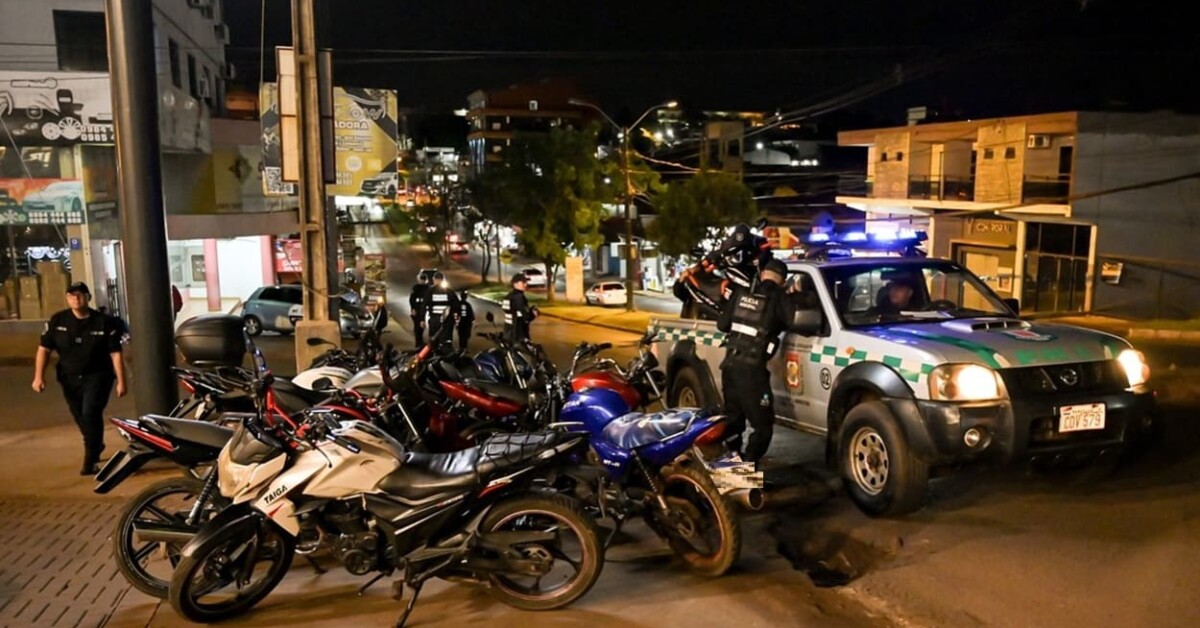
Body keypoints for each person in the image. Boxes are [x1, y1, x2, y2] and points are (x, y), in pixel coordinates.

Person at [31, 282, 128, 475]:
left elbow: (115, 353)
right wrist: (38, 377)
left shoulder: (103, 322)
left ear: (88, 298)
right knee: (80, 416)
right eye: (71, 295)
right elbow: (44, 350)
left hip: (98, 376)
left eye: (80, 295)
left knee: (90, 412)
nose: (75, 299)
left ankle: (90, 461)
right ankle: (95, 443)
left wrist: (121, 381)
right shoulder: (58, 321)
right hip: (69, 378)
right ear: (67, 299)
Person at [716, 258, 794, 465]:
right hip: (752, 373)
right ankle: (747, 468)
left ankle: (732, 469)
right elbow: (791, 321)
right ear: (783, 280)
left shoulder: (741, 293)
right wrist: (791, 296)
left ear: (762, 274)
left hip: (730, 367)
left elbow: (722, 325)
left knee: (733, 421)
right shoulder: (778, 297)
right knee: (763, 425)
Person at [424, 272, 459, 351]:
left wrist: (422, 318)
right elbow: (456, 305)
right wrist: (456, 317)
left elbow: (424, 305)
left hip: (435, 320)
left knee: (434, 341)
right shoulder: (449, 291)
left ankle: (435, 352)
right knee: (446, 340)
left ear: (435, 280)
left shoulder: (430, 291)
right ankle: (445, 352)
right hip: (447, 321)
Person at [502, 273, 538, 343]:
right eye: (523, 282)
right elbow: (526, 318)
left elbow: (514, 311)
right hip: (519, 334)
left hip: (508, 332)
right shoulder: (519, 297)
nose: (525, 284)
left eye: (526, 282)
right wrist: (533, 314)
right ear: (515, 284)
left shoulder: (508, 296)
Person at [409, 274, 430, 349]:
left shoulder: (426, 289)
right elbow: (412, 299)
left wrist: (413, 308)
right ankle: (418, 342)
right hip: (419, 309)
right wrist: (413, 309)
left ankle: (419, 342)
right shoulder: (419, 288)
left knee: (419, 327)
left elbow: (412, 299)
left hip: (420, 309)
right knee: (418, 327)